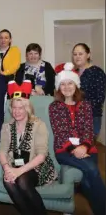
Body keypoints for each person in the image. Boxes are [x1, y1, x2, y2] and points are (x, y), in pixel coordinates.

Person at [49, 62, 106, 215]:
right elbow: (60, 132)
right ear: (59, 88)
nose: (67, 87)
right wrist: (74, 150)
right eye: (63, 84)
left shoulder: (85, 105)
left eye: (70, 83)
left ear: (76, 85)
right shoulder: (55, 106)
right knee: (93, 169)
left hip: (87, 148)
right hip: (64, 150)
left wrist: (84, 147)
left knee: (88, 180)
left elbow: (88, 130)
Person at [0, 80, 57, 215]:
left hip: (37, 167)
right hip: (15, 166)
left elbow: (41, 156)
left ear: (27, 108)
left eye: (21, 108)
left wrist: (18, 172)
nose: (17, 111)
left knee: (22, 181)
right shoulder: (7, 126)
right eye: (14, 107)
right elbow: (2, 150)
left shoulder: (38, 124)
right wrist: (7, 168)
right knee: (8, 182)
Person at [72, 43, 106, 139]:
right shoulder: (72, 73)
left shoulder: (97, 72)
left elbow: (99, 98)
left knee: (86, 149)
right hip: (72, 117)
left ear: (88, 55)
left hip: (91, 117)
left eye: (80, 54)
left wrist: (80, 108)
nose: (77, 57)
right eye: (75, 54)